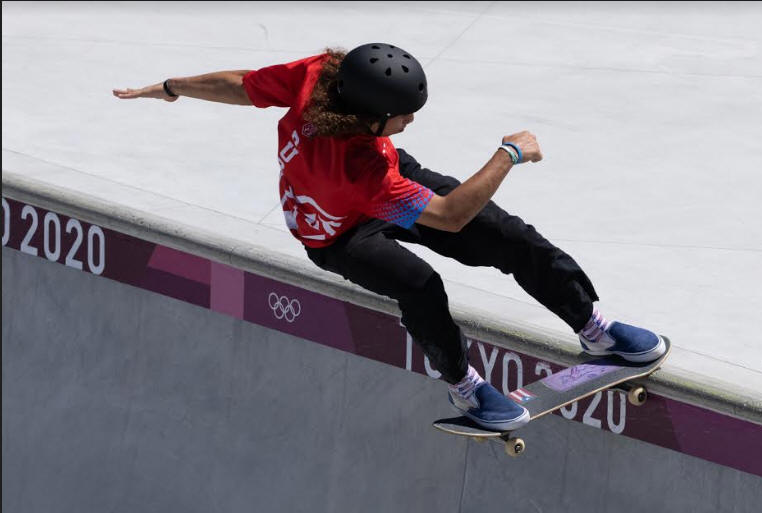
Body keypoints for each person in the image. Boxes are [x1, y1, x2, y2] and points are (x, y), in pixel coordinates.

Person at [113, 43, 666, 431]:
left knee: (509, 237)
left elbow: (242, 85)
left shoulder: (323, 74)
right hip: (337, 231)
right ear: (370, 119)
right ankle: (464, 385)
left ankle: (595, 330)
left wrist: (169, 88)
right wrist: (510, 154)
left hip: (382, 178)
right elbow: (447, 216)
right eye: (402, 116)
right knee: (421, 285)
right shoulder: (355, 168)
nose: (410, 122)